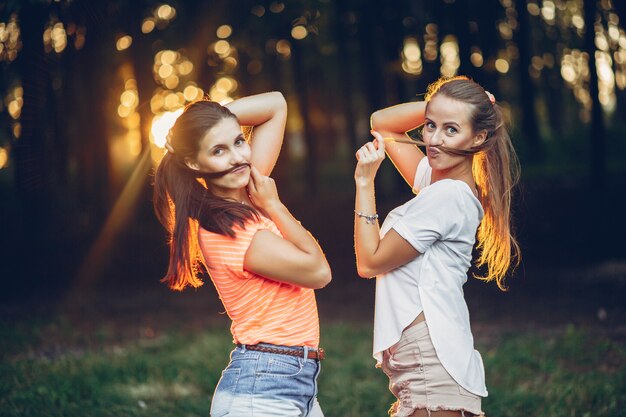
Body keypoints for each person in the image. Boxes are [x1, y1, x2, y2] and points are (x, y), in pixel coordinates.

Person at [153, 92, 331, 417]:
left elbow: (276, 104)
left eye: (238, 141)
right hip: (263, 389)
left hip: (290, 381)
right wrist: (274, 205)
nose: (237, 157)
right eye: (218, 150)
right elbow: (318, 272)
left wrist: (215, 120)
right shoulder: (229, 227)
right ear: (193, 162)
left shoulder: (242, 193)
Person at [353, 76, 520, 417]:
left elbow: (370, 262)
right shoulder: (441, 180)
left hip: (431, 356)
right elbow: (382, 124)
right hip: (428, 355)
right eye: (431, 125)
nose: (434, 139)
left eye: (451, 130)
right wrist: (458, 107)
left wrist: (364, 182)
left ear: (478, 137)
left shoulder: (447, 195)